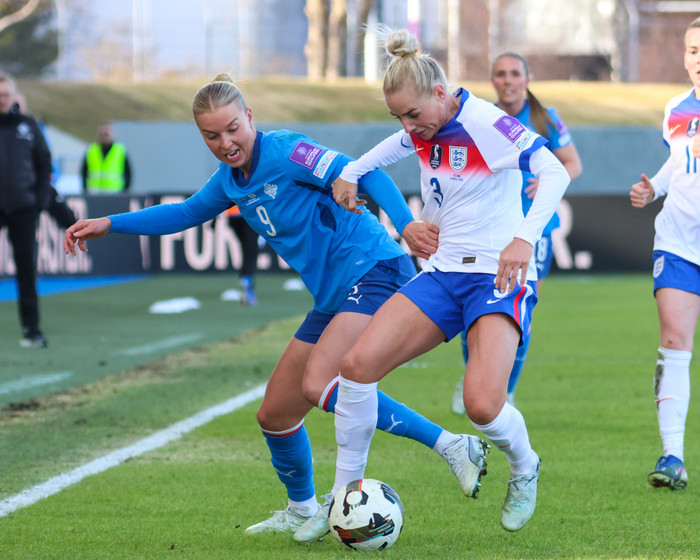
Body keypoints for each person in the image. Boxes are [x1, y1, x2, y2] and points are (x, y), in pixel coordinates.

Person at [65, 73, 490, 542]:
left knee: (321, 382)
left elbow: (365, 172)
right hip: (333, 296)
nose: (226, 143)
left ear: (249, 117)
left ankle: (452, 445)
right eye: (211, 135)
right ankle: (300, 509)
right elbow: (184, 213)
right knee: (275, 415)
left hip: (374, 269)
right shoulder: (230, 181)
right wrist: (110, 223)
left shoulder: (288, 151)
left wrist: (406, 224)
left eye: (233, 128)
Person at [300, 27, 569, 538]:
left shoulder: (487, 123)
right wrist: (352, 172)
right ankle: (342, 498)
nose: (408, 128)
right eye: (398, 117)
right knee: (355, 367)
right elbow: (390, 148)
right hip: (443, 273)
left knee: (482, 405)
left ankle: (525, 465)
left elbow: (555, 171)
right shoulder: (424, 124)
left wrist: (523, 238)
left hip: (496, 274)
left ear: (441, 93)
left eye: (413, 114)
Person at [451, 52, 583, 413]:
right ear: (492, 80)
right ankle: (474, 379)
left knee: (518, 314)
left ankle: (505, 392)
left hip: (534, 229)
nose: (507, 80)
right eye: (500, 74)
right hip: (490, 229)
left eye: (514, 73)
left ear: (527, 79)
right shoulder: (481, 117)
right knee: (472, 310)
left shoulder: (545, 118)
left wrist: (548, 179)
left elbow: (573, 163)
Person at [629, 16, 700, 491]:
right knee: (674, 341)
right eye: (693, 50)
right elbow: (679, 162)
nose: (699, 59)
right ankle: (673, 457)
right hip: (678, 240)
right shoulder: (676, 107)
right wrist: (653, 188)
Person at [0, 72, 53, 348]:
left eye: (5, 95)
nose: (2, 100)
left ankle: (32, 330)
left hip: (23, 208)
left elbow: (44, 164)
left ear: (13, 96)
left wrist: (39, 201)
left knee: (26, 269)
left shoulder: (28, 125)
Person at [12, 90, 77, 229]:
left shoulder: (32, 127)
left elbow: (45, 157)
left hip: (35, 184)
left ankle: (78, 233)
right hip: (11, 189)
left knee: (67, 217)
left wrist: (49, 179)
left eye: (18, 105)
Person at [81, 122, 132, 193]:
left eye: (106, 134)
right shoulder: (91, 150)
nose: (104, 137)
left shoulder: (119, 150)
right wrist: (85, 189)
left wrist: (125, 191)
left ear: (112, 135)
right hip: (94, 192)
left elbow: (128, 173)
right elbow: (84, 172)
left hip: (115, 192)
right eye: (101, 134)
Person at [226, 204, 259, 305]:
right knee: (250, 250)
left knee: (246, 247)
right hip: (250, 213)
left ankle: (244, 277)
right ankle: (247, 280)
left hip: (233, 215)